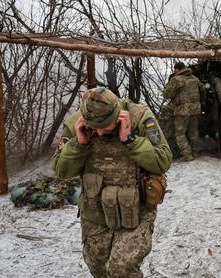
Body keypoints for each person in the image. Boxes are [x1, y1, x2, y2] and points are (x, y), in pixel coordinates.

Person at [53, 87, 172, 277]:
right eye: (94, 128)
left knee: (121, 269)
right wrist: (79, 144)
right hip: (95, 210)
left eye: (105, 126)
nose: (99, 133)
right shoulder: (76, 123)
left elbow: (163, 161)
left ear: (118, 115)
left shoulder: (140, 117)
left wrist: (130, 140)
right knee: (97, 267)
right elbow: (61, 171)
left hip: (136, 210)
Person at [163, 61, 205, 161]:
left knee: (180, 134)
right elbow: (203, 90)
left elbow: (166, 94)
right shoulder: (194, 78)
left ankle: (187, 154)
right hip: (195, 109)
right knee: (193, 131)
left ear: (177, 69)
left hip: (182, 110)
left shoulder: (176, 79)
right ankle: (195, 152)